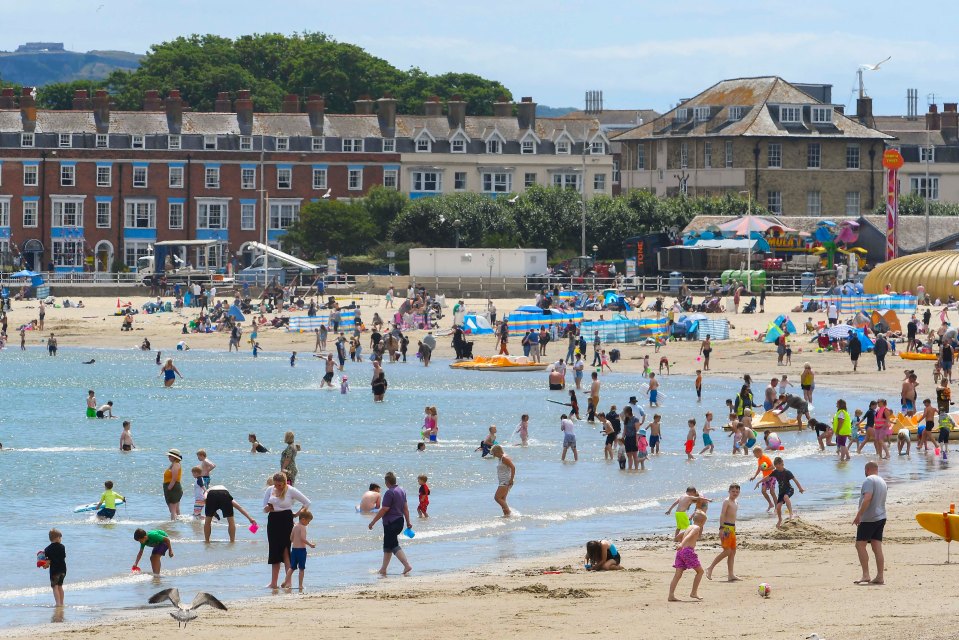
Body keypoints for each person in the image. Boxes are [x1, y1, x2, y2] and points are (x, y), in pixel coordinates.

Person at [264, 472, 311, 589]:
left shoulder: (290, 490)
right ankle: (273, 582)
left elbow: (307, 502)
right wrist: (267, 508)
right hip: (273, 520)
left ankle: (288, 581)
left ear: (285, 483)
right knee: (274, 550)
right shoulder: (270, 489)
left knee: (285, 550)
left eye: (280, 485)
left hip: (286, 520)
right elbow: (264, 509)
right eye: (276, 485)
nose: (277, 487)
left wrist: (296, 514)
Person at [367, 471, 413, 576]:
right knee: (388, 545)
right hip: (399, 521)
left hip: (391, 523)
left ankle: (406, 565)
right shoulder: (402, 490)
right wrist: (408, 522)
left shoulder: (389, 492)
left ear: (387, 482)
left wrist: (373, 522)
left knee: (393, 545)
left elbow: (384, 509)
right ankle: (383, 569)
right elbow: (405, 508)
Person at [853, 461, 887, 585]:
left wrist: (859, 515)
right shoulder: (882, 481)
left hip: (869, 518)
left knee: (860, 545)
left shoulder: (868, 481)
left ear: (867, 469)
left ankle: (866, 574)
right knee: (876, 546)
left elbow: (867, 498)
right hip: (881, 516)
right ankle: (880, 576)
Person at [668, 510, 707, 602]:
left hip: (680, 552)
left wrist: (679, 541)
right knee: (700, 572)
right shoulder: (697, 527)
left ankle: (671, 595)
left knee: (677, 574)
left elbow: (679, 535)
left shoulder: (689, 526)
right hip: (687, 551)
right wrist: (682, 544)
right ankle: (693, 593)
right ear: (703, 522)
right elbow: (689, 536)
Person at [705, 484, 741, 582]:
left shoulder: (736, 502)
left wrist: (734, 528)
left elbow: (733, 516)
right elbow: (722, 514)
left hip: (732, 528)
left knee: (733, 552)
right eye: (733, 491)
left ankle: (731, 574)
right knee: (727, 551)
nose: (735, 493)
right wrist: (721, 528)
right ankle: (710, 567)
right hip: (726, 528)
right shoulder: (726, 501)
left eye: (737, 492)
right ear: (729, 491)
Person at [283, 511, 316, 590]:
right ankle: (300, 585)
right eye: (308, 521)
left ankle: (285, 582)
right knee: (301, 568)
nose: (308, 523)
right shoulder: (303, 527)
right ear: (303, 519)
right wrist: (310, 544)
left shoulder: (295, 526)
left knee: (292, 568)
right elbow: (302, 539)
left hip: (294, 550)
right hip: (301, 550)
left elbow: (291, 538)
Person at [771, 457, 804, 528]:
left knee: (786, 497)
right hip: (781, 492)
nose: (777, 469)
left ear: (781, 464)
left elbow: (795, 480)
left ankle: (791, 514)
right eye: (776, 467)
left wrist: (800, 488)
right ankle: (780, 520)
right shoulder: (775, 472)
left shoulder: (787, 472)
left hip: (789, 489)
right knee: (778, 507)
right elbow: (767, 477)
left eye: (778, 467)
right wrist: (759, 482)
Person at [43, 528, 66, 607]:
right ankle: (62, 603)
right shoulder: (62, 547)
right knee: (60, 586)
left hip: (54, 571)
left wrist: (45, 565)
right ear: (57, 538)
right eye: (60, 538)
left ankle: (58, 603)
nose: (61, 539)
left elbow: (47, 561)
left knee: (55, 587)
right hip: (63, 570)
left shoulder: (47, 549)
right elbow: (63, 556)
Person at [749, 447, 776, 511]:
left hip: (771, 476)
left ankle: (776, 506)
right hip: (765, 478)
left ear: (759, 453)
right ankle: (770, 504)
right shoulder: (759, 460)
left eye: (755, 454)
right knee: (763, 491)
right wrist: (754, 476)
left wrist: (765, 469)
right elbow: (759, 469)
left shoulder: (766, 458)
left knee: (772, 492)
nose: (754, 455)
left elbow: (773, 467)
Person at [491, 445, 515, 516]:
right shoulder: (500, 458)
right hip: (502, 481)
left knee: (497, 498)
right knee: (502, 499)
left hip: (506, 481)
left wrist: (511, 479)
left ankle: (509, 512)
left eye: (494, 453)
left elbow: (513, 467)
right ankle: (506, 515)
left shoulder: (504, 458)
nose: (494, 455)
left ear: (498, 451)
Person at [163, 449, 183, 520]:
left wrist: (169, 488)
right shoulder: (173, 464)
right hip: (172, 487)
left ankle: (173, 525)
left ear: (174, 457)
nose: (168, 457)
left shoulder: (176, 465)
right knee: (176, 509)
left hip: (173, 487)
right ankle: (178, 523)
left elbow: (174, 478)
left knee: (172, 510)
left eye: (170, 456)